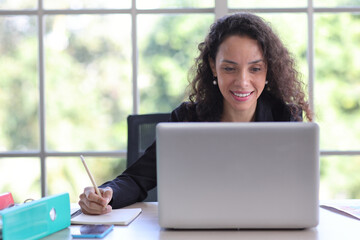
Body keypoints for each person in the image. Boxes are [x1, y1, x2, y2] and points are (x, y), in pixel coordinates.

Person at [78, 12, 312, 215]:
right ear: (213, 66)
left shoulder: (285, 116)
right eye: (229, 68)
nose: (242, 82)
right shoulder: (188, 119)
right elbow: (137, 179)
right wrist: (106, 194)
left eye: (255, 69)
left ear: (268, 69)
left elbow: (297, 190)